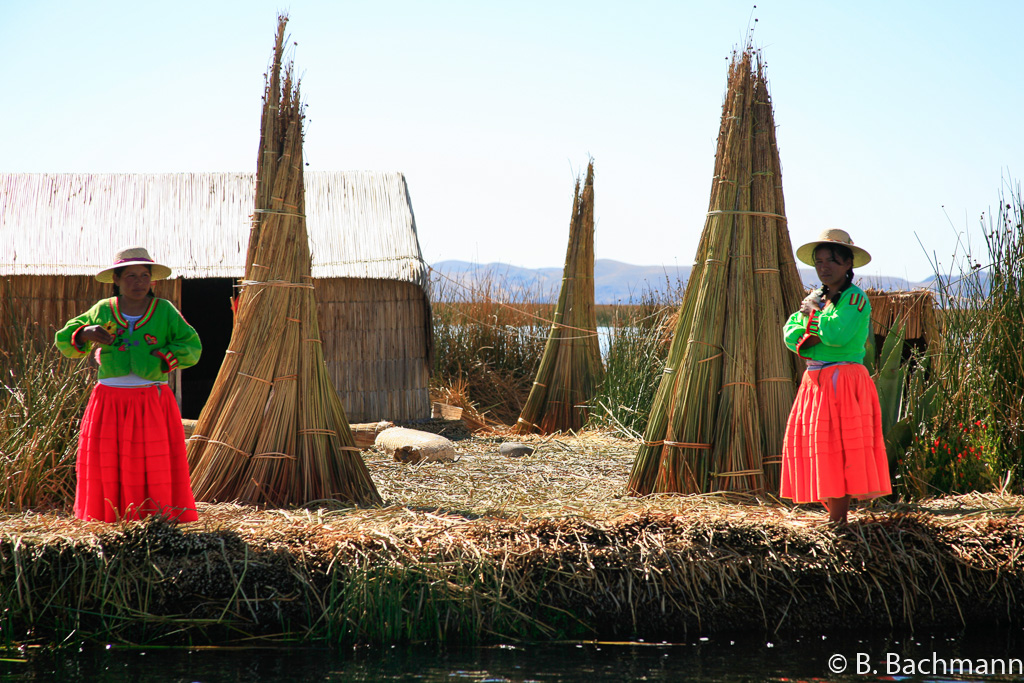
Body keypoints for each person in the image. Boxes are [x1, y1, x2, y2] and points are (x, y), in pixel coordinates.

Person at [55, 247, 201, 523]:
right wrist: (85, 333)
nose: (139, 282)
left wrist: (167, 357)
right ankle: (109, 516)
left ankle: (155, 517)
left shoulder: (164, 311)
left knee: (153, 460)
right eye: (131, 276)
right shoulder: (103, 310)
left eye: (145, 275)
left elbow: (191, 345)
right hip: (110, 399)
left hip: (152, 398)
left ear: (152, 281)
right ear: (117, 280)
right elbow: (65, 340)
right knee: (110, 460)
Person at [779, 229, 891, 524]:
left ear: (847, 265)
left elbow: (838, 334)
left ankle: (839, 519)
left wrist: (811, 322)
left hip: (842, 379)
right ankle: (834, 516)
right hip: (815, 380)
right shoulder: (816, 297)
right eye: (818, 262)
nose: (823, 267)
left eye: (831, 260)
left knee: (837, 447)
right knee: (819, 445)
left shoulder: (855, 298)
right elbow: (791, 336)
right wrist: (812, 326)